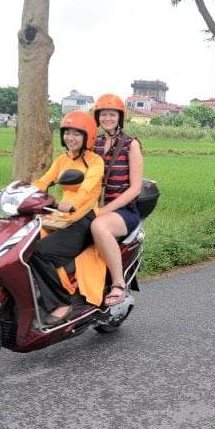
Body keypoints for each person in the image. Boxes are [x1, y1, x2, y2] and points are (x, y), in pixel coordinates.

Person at [30, 111, 104, 326]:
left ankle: (62, 303)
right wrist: (21, 193)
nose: (70, 138)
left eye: (76, 134)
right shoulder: (62, 160)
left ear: (87, 136)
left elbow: (87, 189)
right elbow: (44, 181)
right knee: (22, 245)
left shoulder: (95, 162)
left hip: (83, 220)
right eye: (67, 133)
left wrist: (71, 203)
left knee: (40, 253)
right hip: (60, 218)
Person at [90, 94, 144, 306]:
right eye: (103, 114)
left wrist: (105, 210)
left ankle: (118, 283)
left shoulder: (131, 144)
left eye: (112, 114)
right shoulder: (94, 142)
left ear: (120, 118)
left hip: (123, 211)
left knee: (99, 227)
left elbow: (135, 188)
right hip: (94, 207)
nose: (107, 118)